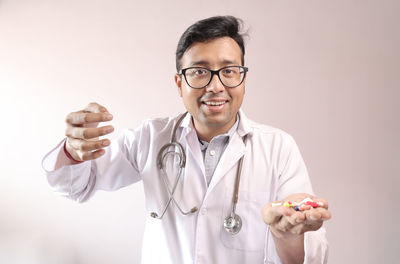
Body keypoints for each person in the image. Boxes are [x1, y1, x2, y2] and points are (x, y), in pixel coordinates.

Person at [42, 16, 331, 264]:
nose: (215, 86)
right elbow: (77, 187)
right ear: (180, 82)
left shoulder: (278, 148)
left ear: (243, 79)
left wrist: (287, 233)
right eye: (199, 72)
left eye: (229, 71)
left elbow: (309, 257)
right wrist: (74, 150)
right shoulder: (151, 138)